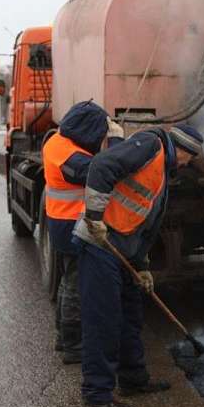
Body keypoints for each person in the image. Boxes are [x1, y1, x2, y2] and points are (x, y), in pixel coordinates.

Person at [73, 123, 204, 407]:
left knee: (131, 314)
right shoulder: (149, 146)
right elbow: (101, 166)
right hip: (100, 243)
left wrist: (143, 267)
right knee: (103, 322)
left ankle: (132, 377)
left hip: (124, 251)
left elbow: (145, 224)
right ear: (182, 149)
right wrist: (94, 216)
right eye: (189, 159)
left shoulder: (163, 174)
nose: (186, 166)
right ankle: (97, 399)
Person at [42, 101, 124, 364]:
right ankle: (73, 345)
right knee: (76, 285)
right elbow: (100, 172)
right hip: (70, 224)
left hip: (63, 221)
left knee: (68, 281)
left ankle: (62, 338)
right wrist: (115, 144)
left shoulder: (60, 141)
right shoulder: (67, 154)